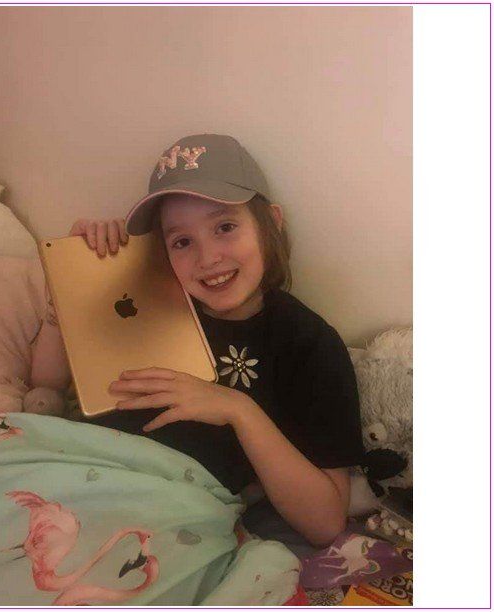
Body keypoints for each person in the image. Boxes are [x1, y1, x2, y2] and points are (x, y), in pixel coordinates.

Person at [31, 134, 364, 551]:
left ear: (271, 223)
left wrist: (238, 410)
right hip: (72, 473)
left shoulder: (307, 343)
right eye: (182, 242)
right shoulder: (141, 298)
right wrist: (67, 294)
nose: (207, 259)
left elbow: (325, 523)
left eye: (225, 227)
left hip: (160, 514)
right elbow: (42, 383)